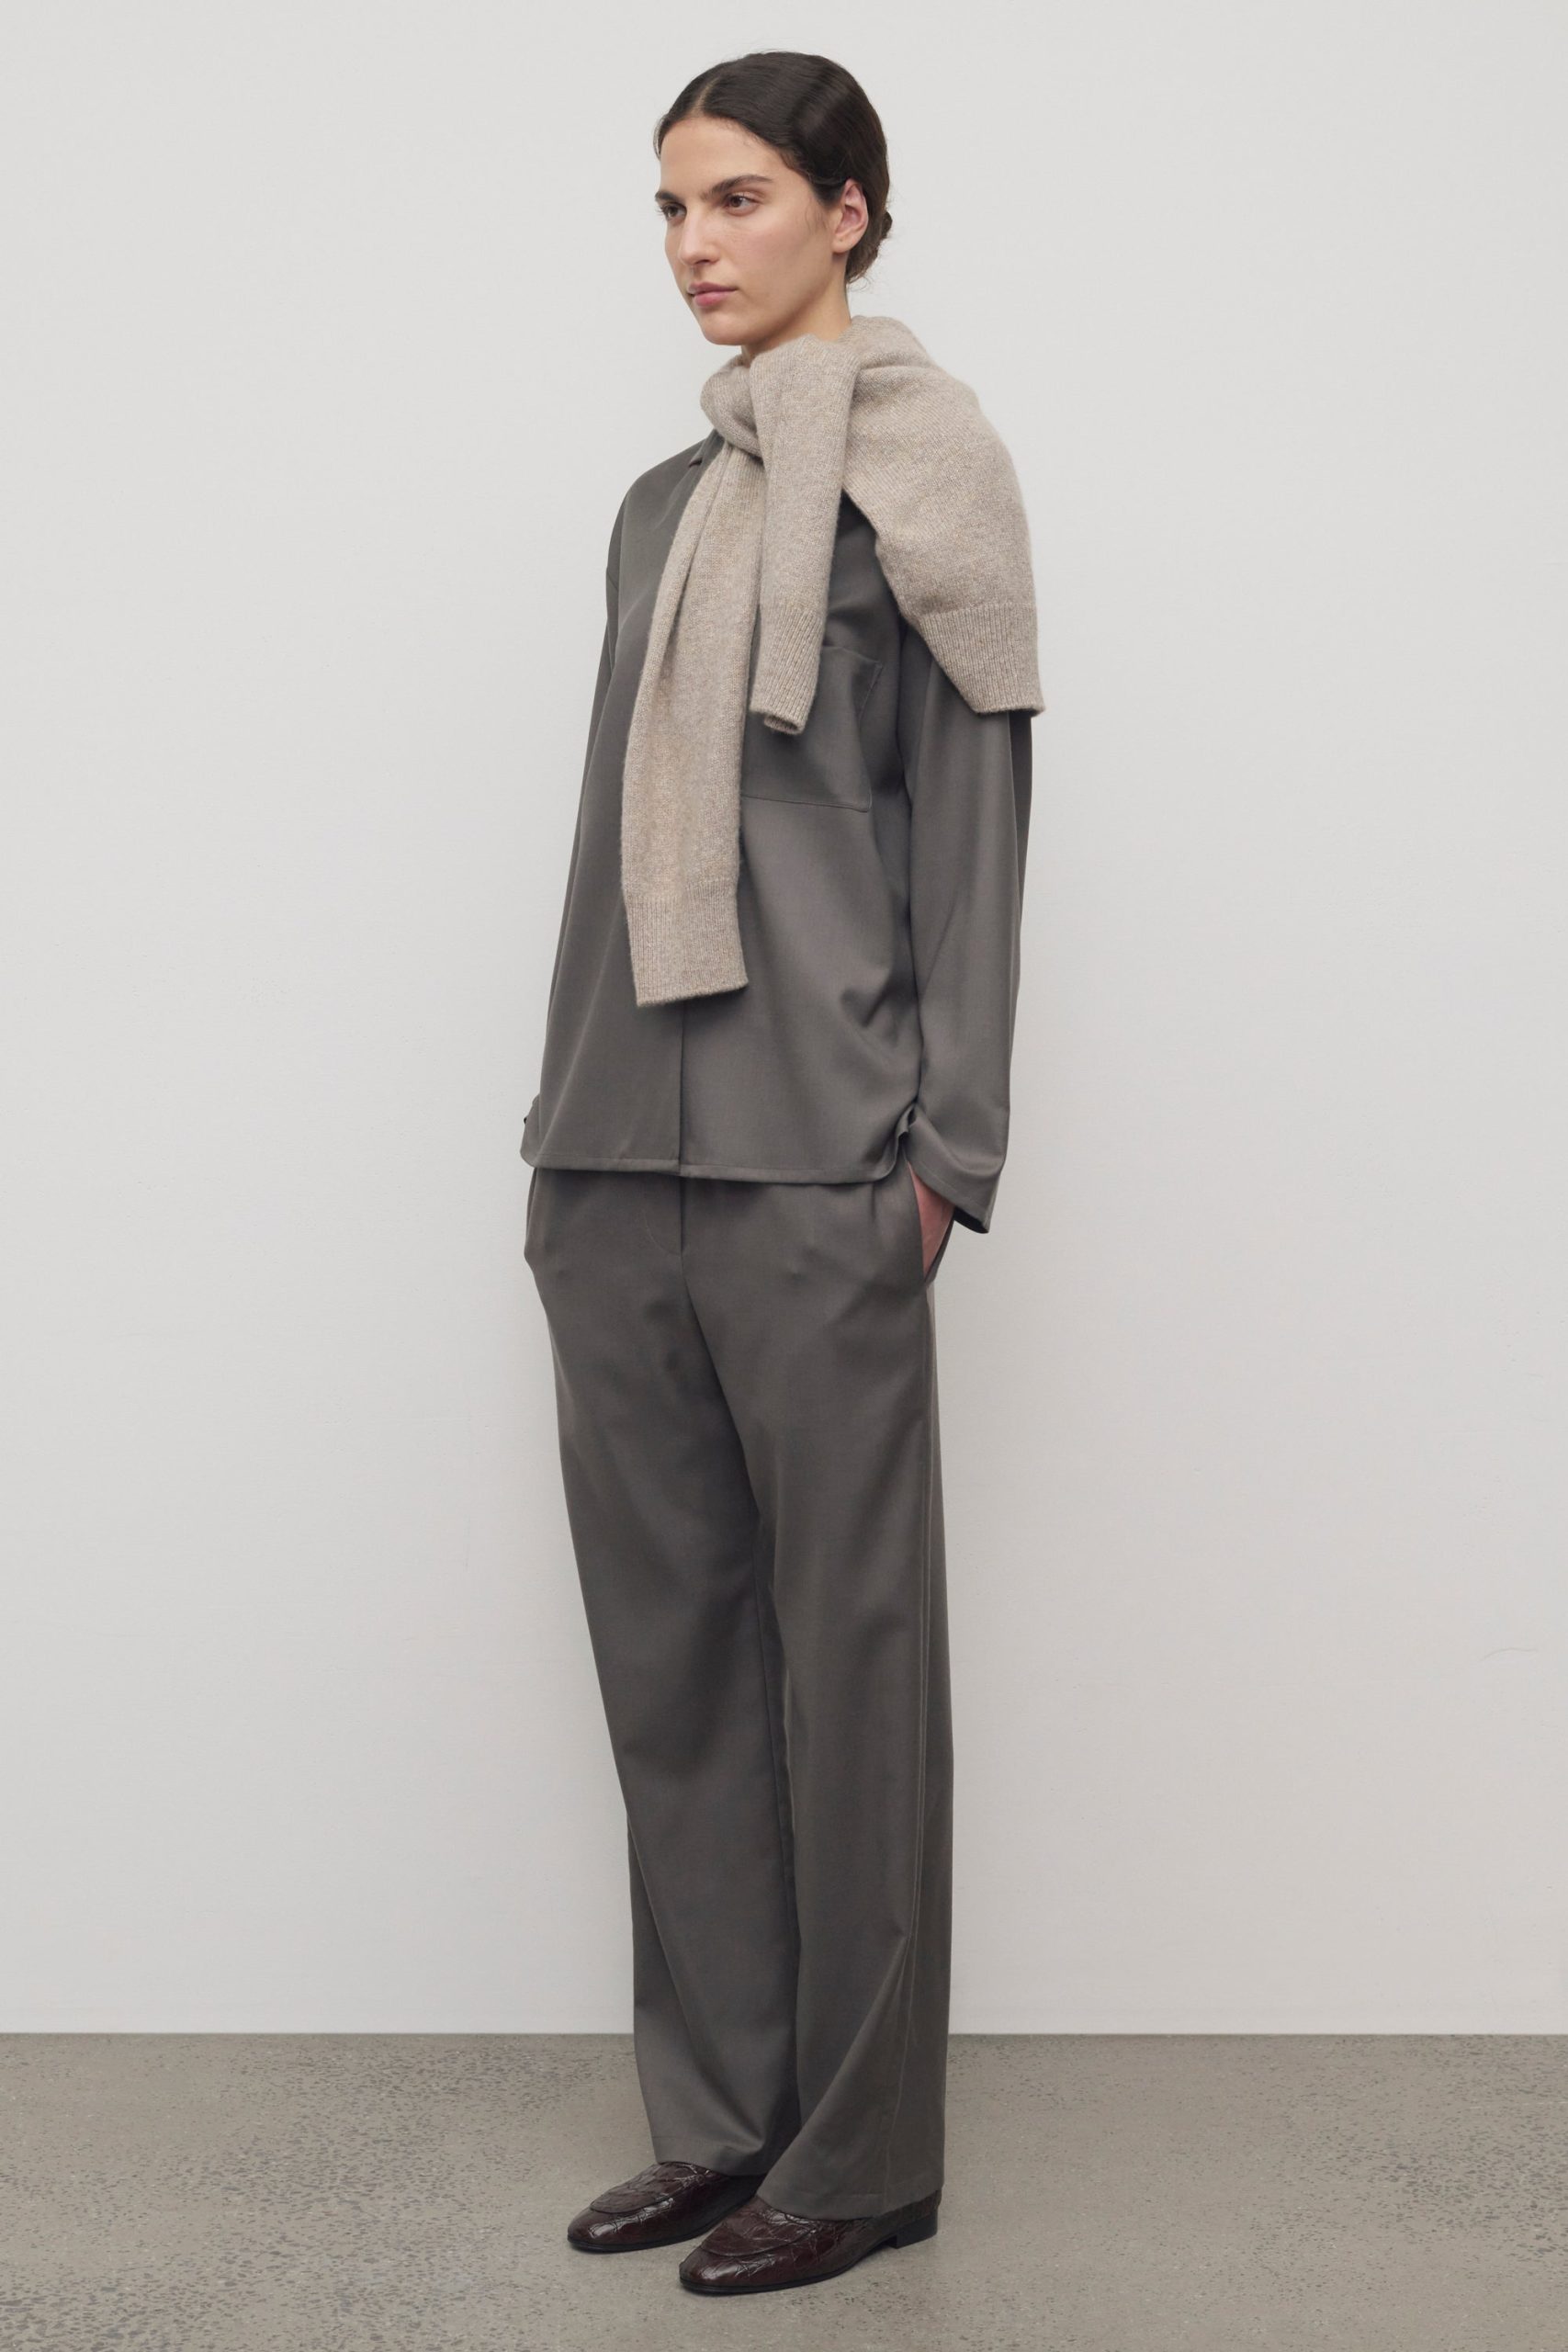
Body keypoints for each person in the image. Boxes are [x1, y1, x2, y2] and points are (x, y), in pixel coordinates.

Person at [519, 49, 1043, 2298]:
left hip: (823, 1151)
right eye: (668, 206)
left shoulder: (929, 476)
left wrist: (947, 1146)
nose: (692, 243)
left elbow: (972, 822)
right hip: (611, 1148)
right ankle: (721, 2118)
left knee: (853, 1666)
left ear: (848, 208)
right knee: (674, 1668)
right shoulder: (658, 506)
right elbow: (603, 844)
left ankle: (861, 2148)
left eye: (735, 197)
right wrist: (554, 1134)